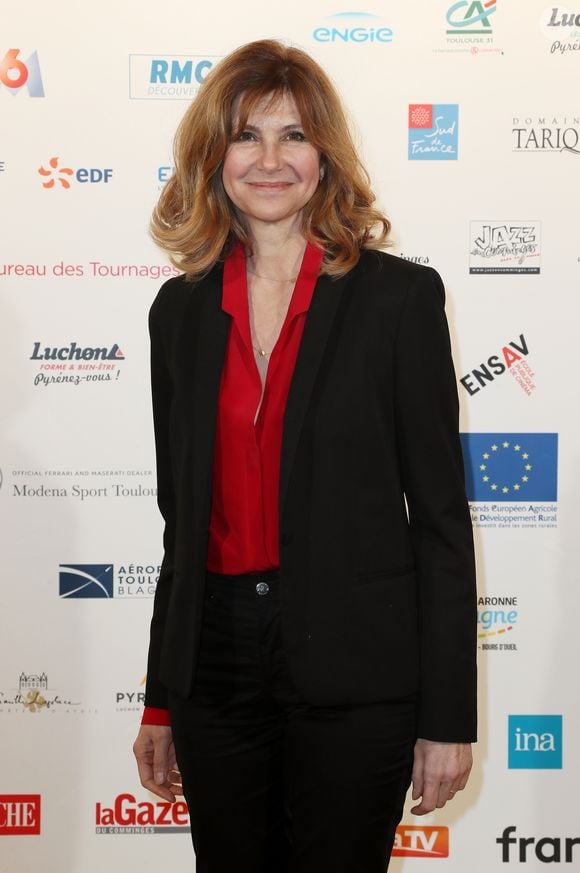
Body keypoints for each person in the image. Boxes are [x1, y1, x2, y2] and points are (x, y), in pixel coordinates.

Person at [133, 38, 477, 873]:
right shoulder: (177, 313)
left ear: (325, 157)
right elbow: (182, 523)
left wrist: (449, 715)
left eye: (294, 135)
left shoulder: (398, 299)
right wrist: (158, 698)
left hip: (358, 667)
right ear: (214, 158)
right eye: (247, 135)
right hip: (214, 663)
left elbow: (439, 522)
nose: (271, 159)